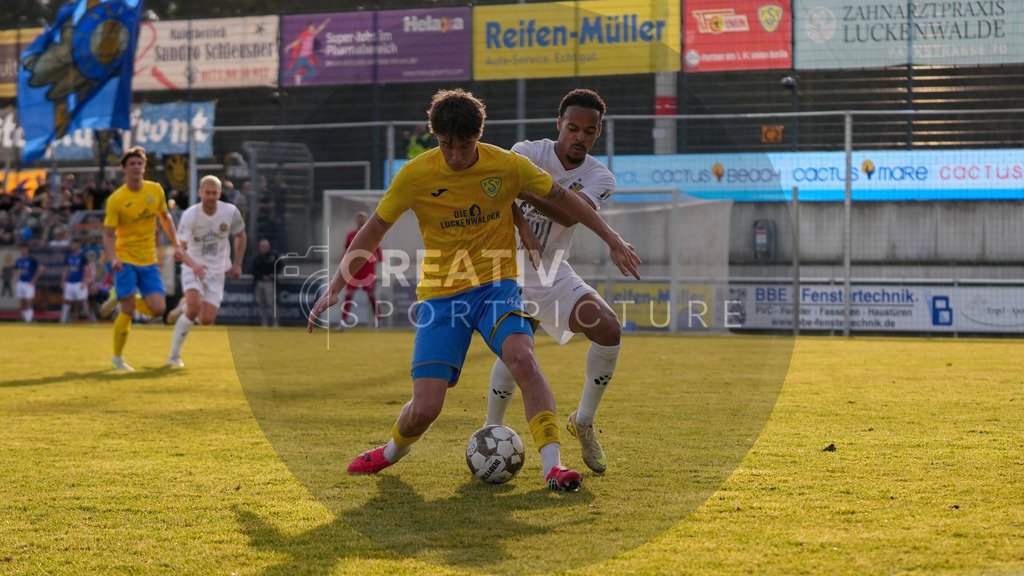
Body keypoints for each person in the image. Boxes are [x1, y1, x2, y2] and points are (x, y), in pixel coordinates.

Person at [307, 88, 641, 491]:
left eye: (465, 146)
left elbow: (561, 198)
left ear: (478, 137)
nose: (456, 156)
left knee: (524, 358)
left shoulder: (505, 163)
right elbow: (374, 229)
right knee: (426, 408)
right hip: (442, 293)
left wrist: (612, 238)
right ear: (436, 137)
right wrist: (337, 284)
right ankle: (392, 451)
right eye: (446, 145)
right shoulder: (415, 174)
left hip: (497, 284)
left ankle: (553, 466)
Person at [484, 89, 621, 474]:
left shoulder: (600, 175)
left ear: (598, 133)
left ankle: (584, 422)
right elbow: (501, 188)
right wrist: (524, 223)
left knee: (608, 328)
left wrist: (525, 191)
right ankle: (491, 428)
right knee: (518, 349)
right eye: (573, 128)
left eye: (589, 131)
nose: (580, 136)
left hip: (552, 269)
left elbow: (569, 216)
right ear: (559, 125)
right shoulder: (528, 151)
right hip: (505, 266)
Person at [103, 146, 184, 371]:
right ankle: (117, 359)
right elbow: (108, 235)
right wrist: (113, 258)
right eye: (132, 164)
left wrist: (176, 244)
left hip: (148, 259)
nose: (137, 167)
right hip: (125, 259)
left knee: (158, 310)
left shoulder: (155, 190)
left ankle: (118, 296)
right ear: (124, 169)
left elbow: (165, 218)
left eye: (140, 164)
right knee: (128, 311)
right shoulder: (116, 199)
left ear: (144, 167)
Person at [163, 175, 246, 367]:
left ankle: (182, 307)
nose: (210, 197)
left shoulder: (230, 212)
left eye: (214, 193)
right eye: (207, 193)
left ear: (219, 194)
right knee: (194, 310)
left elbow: (241, 235)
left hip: (217, 272)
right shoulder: (191, 215)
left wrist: (237, 264)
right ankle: (174, 357)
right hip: (194, 267)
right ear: (200, 193)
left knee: (206, 319)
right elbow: (180, 249)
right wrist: (195, 266)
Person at [336, 211, 382, 330]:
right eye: (359, 219)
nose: (361, 221)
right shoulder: (351, 235)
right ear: (356, 221)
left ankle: (378, 322)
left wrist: (378, 265)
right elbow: (346, 251)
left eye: (364, 219)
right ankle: (343, 322)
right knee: (348, 296)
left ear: (366, 221)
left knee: (372, 297)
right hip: (353, 271)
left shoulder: (372, 234)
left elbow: (379, 253)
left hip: (368, 271)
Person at [283, 18, 331, 86]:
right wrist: (288, 47)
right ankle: (279, 78)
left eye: (314, 27)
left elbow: (320, 28)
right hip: (301, 58)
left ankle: (300, 77)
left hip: (306, 58)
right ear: (308, 27)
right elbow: (296, 42)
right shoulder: (304, 34)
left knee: (313, 72)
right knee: (291, 71)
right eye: (312, 27)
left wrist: (326, 21)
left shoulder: (312, 33)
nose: (313, 28)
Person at [60, 238, 97, 323]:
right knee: (67, 301)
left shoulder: (82, 256)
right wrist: (63, 281)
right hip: (69, 282)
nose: (73, 246)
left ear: (79, 245)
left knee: (84, 300)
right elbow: (66, 269)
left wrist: (84, 282)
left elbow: (86, 269)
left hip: (79, 282)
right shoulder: (69, 256)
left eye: (75, 244)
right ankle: (63, 320)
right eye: (73, 244)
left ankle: (91, 319)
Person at [251, 238, 279, 328]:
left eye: (265, 246)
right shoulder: (257, 258)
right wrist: (261, 276)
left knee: (271, 303)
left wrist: (273, 275)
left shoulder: (273, 256)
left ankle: (275, 323)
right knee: (262, 304)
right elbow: (253, 270)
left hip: (269, 283)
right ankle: (264, 323)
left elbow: (280, 265)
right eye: (262, 246)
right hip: (260, 282)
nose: (264, 248)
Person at [15, 243, 43, 323]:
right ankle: (24, 318)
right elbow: (15, 269)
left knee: (29, 301)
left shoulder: (31, 259)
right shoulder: (19, 260)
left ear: (27, 249)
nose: (23, 250)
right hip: (21, 283)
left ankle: (29, 320)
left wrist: (34, 278)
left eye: (24, 248)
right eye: (21, 249)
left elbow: (40, 268)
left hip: (29, 283)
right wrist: (16, 277)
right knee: (22, 302)